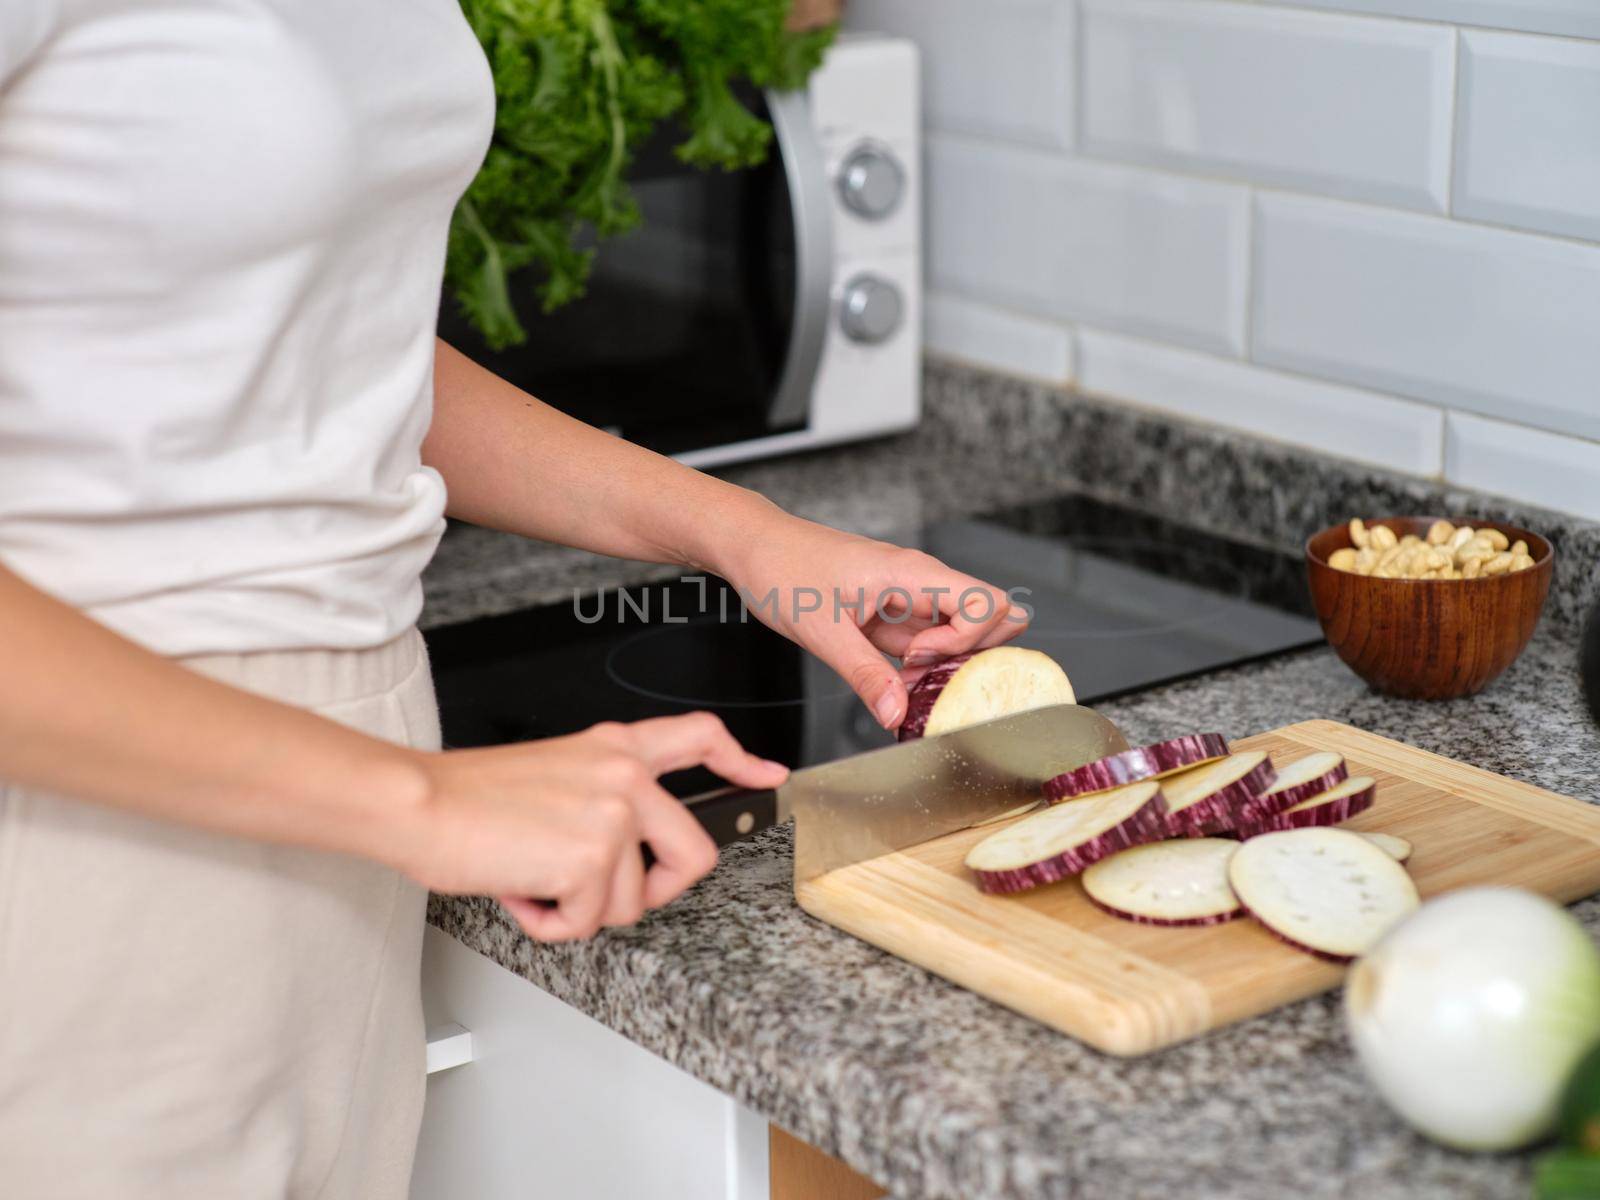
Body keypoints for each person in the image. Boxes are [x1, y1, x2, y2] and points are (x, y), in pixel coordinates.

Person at [0, 3, 1025, 1197]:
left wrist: (750, 538)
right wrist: (421, 800)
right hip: (91, 808)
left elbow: (326, 342)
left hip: (334, 773)